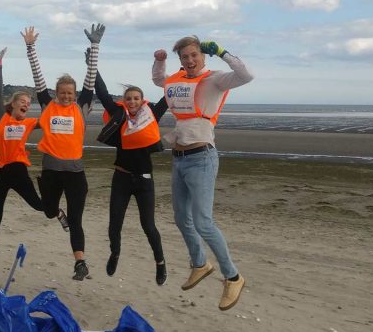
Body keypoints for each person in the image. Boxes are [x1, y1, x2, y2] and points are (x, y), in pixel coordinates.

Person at [151, 36, 254, 310]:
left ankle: (233, 277)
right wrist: (159, 60)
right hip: (180, 158)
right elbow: (159, 80)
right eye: (185, 57)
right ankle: (200, 263)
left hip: (202, 158)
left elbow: (246, 75)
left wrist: (222, 52)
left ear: (203, 55)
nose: (190, 60)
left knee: (203, 222)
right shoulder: (178, 81)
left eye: (194, 55)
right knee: (181, 218)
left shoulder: (215, 79)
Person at [0, 47, 68, 270]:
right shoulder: (1, 118)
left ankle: (57, 211)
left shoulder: (28, 123)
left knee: (39, 205)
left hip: (18, 170)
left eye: (29, 103)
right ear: (14, 103)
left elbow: (50, 119)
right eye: (24, 102)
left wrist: (62, 101)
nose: (27, 105)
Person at [24, 24, 101, 281]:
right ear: (56, 94)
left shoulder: (82, 108)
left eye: (70, 93)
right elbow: (38, 77)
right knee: (48, 211)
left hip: (75, 173)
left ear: (75, 94)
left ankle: (80, 262)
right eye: (62, 93)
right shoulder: (48, 106)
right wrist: (30, 47)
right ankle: (57, 213)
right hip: (51, 172)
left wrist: (95, 46)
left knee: (76, 220)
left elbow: (91, 78)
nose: (66, 96)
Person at [92, 66, 169, 285]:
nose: (132, 102)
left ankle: (160, 262)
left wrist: (183, 73)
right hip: (122, 178)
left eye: (136, 98)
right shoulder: (119, 116)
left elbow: (169, 95)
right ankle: (115, 253)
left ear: (142, 100)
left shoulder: (151, 114)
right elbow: (103, 93)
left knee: (148, 226)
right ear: (124, 101)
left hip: (144, 180)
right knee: (114, 223)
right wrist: (94, 67)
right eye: (129, 98)